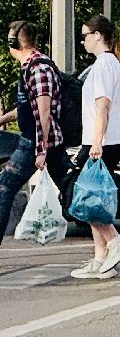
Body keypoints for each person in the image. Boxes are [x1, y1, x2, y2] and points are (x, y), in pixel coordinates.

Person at [70, 15, 120, 280]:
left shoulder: (104, 65)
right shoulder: (108, 64)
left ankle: (115, 240)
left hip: (102, 142)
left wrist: (97, 140)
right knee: (93, 197)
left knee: (84, 197)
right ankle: (101, 258)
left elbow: (102, 105)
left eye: (85, 35)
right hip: (105, 140)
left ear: (98, 35)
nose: (83, 40)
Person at [0, 21, 70, 243]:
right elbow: (27, 107)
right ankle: (108, 236)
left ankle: (108, 236)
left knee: (5, 187)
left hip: (36, 143)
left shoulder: (38, 68)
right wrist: (3, 119)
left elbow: (43, 111)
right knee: (72, 191)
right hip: (44, 142)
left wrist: (41, 150)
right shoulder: (31, 66)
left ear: (13, 42)